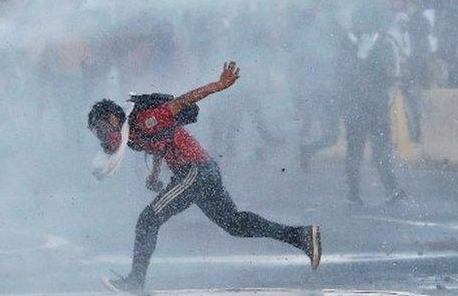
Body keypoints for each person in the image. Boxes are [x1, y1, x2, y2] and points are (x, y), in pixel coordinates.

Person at [88, 62, 321, 294]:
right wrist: (155, 172)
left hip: (195, 171)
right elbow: (162, 141)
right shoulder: (132, 137)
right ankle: (301, 236)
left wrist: (219, 85)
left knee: (148, 220)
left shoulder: (145, 119)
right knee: (235, 223)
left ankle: (135, 282)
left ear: (112, 119)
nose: (101, 137)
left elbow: (181, 102)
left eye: (100, 129)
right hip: (204, 170)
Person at [344, 5, 406, 205]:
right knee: (380, 150)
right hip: (376, 106)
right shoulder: (384, 43)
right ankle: (391, 190)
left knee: (355, 150)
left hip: (355, 105)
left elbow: (340, 73)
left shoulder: (349, 43)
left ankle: (354, 193)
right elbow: (392, 75)